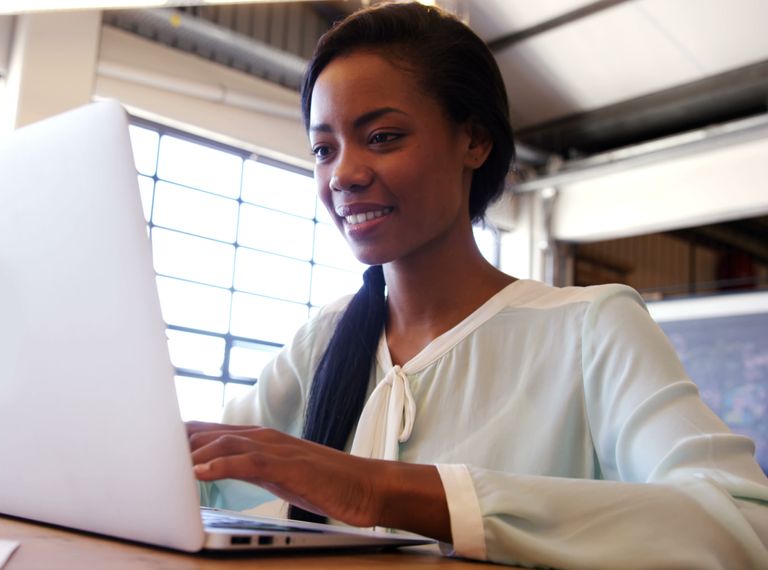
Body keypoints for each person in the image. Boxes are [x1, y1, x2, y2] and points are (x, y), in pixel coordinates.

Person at [185, 3, 768, 568]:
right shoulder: (323, 342)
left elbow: (742, 523)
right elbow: (195, 483)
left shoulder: (590, 327)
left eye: (383, 136)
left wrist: (383, 490)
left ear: (475, 141)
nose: (344, 174)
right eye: (322, 149)